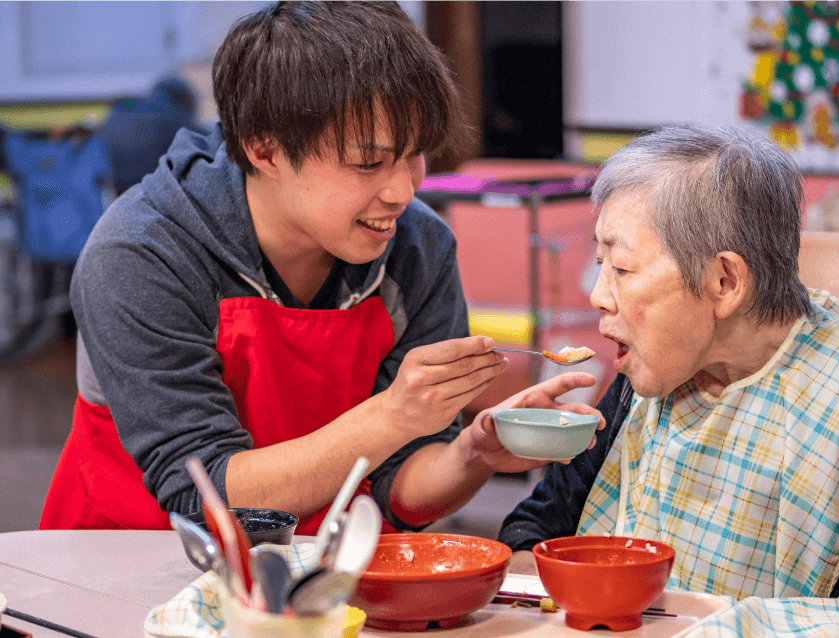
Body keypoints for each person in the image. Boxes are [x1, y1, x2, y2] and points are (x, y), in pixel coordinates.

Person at [39, 0, 602, 535]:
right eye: (367, 162)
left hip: (318, 567)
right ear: (264, 149)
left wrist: (471, 454)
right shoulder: (143, 254)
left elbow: (396, 487)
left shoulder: (417, 248)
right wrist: (394, 416)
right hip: (132, 556)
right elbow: (202, 495)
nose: (404, 191)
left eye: (416, 154)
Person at [497, 124, 839, 600]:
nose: (598, 294)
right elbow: (530, 531)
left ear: (724, 282)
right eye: (599, 261)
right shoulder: (647, 383)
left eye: (622, 269)